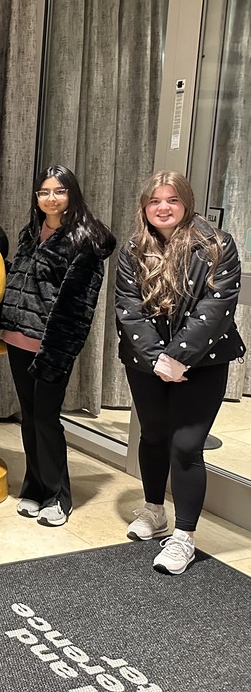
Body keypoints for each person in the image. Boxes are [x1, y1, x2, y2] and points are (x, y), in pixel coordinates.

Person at [115, 171, 244, 575]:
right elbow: (127, 307)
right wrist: (156, 358)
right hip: (145, 363)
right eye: (155, 201)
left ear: (186, 202)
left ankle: (184, 537)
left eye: (171, 199)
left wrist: (177, 357)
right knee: (153, 436)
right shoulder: (134, 247)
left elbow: (217, 307)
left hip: (204, 362)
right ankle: (155, 512)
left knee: (187, 446)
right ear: (145, 207)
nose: (163, 207)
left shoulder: (218, 244)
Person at [0, 165, 115, 528]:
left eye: (59, 191)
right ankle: (34, 487)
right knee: (29, 417)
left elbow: (78, 305)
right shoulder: (32, 231)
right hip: (18, 338)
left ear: (72, 194)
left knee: (47, 419)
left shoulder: (84, 240)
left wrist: (59, 349)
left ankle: (57, 495)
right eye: (44, 192)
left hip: (51, 345)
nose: (51, 198)